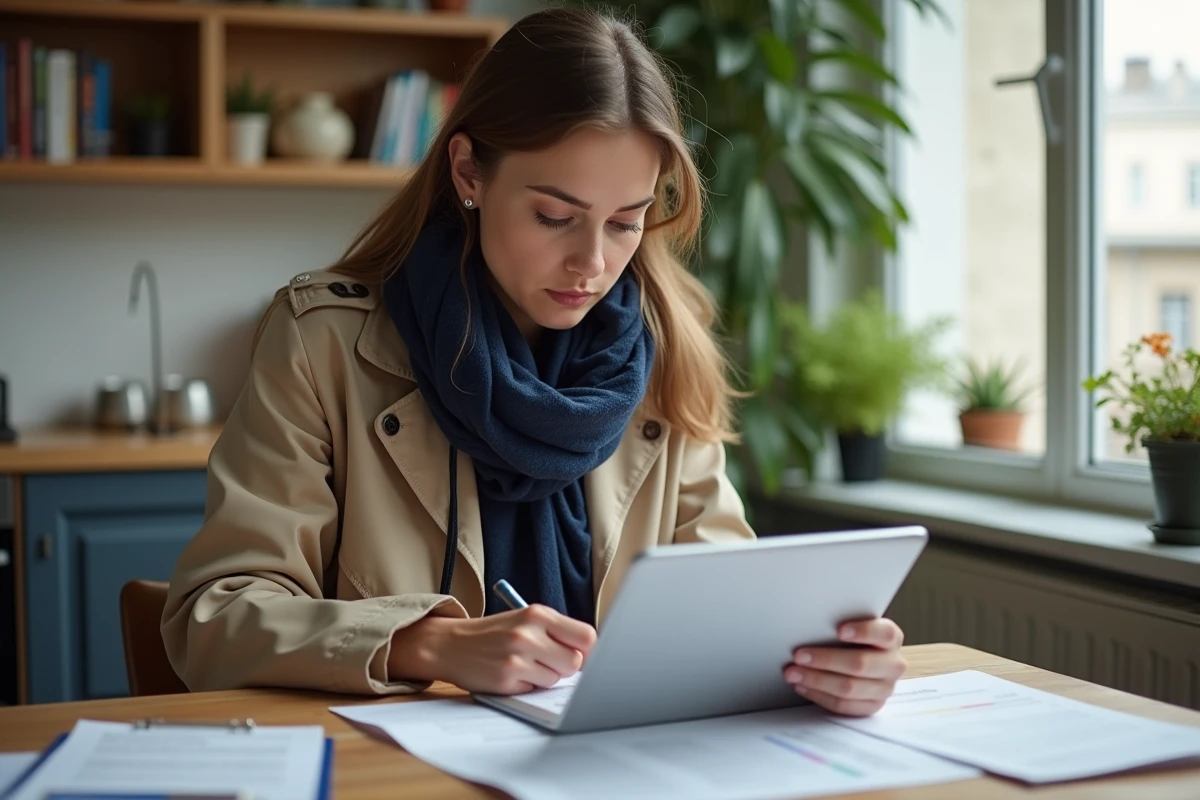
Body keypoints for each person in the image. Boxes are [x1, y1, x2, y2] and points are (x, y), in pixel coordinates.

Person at [161, 7, 907, 717]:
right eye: (554, 216)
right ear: (468, 173)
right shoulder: (323, 341)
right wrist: (429, 644)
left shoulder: (662, 346)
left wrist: (822, 661)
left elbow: (724, 604)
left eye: (625, 223)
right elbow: (214, 616)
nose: (592, 263)